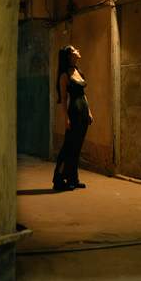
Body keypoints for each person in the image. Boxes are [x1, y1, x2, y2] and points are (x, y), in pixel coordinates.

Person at [53, 45, 93, 191]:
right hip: (74, 113)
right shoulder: (64, 75)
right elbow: (64, 99)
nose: (78, 50)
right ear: (69, 56)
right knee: (69, 147)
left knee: (77, 148)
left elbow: (83, 94)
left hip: (83, 112)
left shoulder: (78, 71)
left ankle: (73, 179)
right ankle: (59, 179)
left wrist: (89, 112)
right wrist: (66, 118)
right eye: (74, 50)